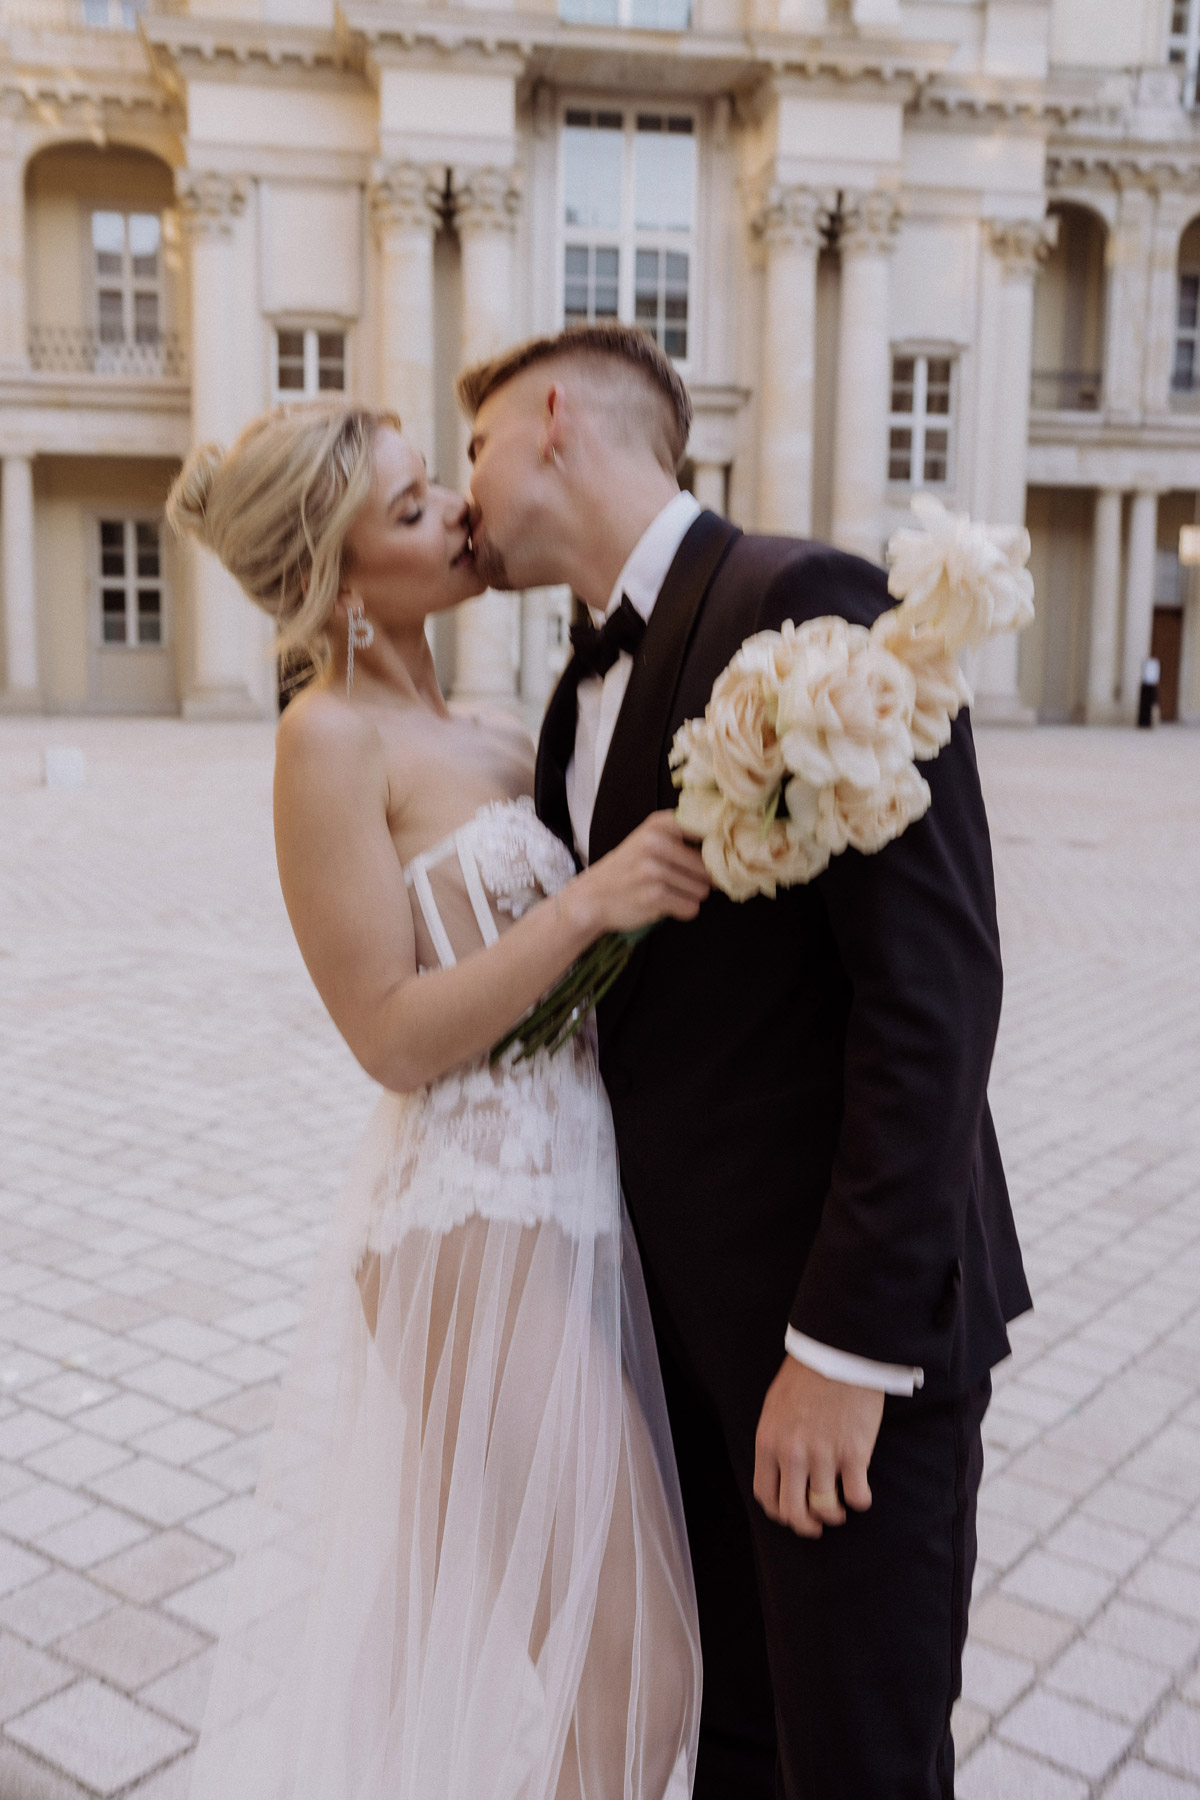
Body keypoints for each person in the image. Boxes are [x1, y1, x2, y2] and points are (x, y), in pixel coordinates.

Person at [459, 321, 1033, 1800]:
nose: (462, 499)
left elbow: (936, 989)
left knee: (857, 1764)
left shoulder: (807, 606)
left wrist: (847, 1351)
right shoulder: (565, 709)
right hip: (683, 1357)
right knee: (736, 1751)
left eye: (469, 452)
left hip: (840, 1355)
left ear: (550, 420)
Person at [166, 400, 706, 1800]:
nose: (459, 516)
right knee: (637, 1679)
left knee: (629, 1678)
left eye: (435, 490)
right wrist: (588, 897)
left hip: (581, 1198)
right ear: (334, 582)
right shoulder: (327, 743)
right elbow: (390, 1032)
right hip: (472, 1220)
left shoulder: (480, 727)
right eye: (411, 511)